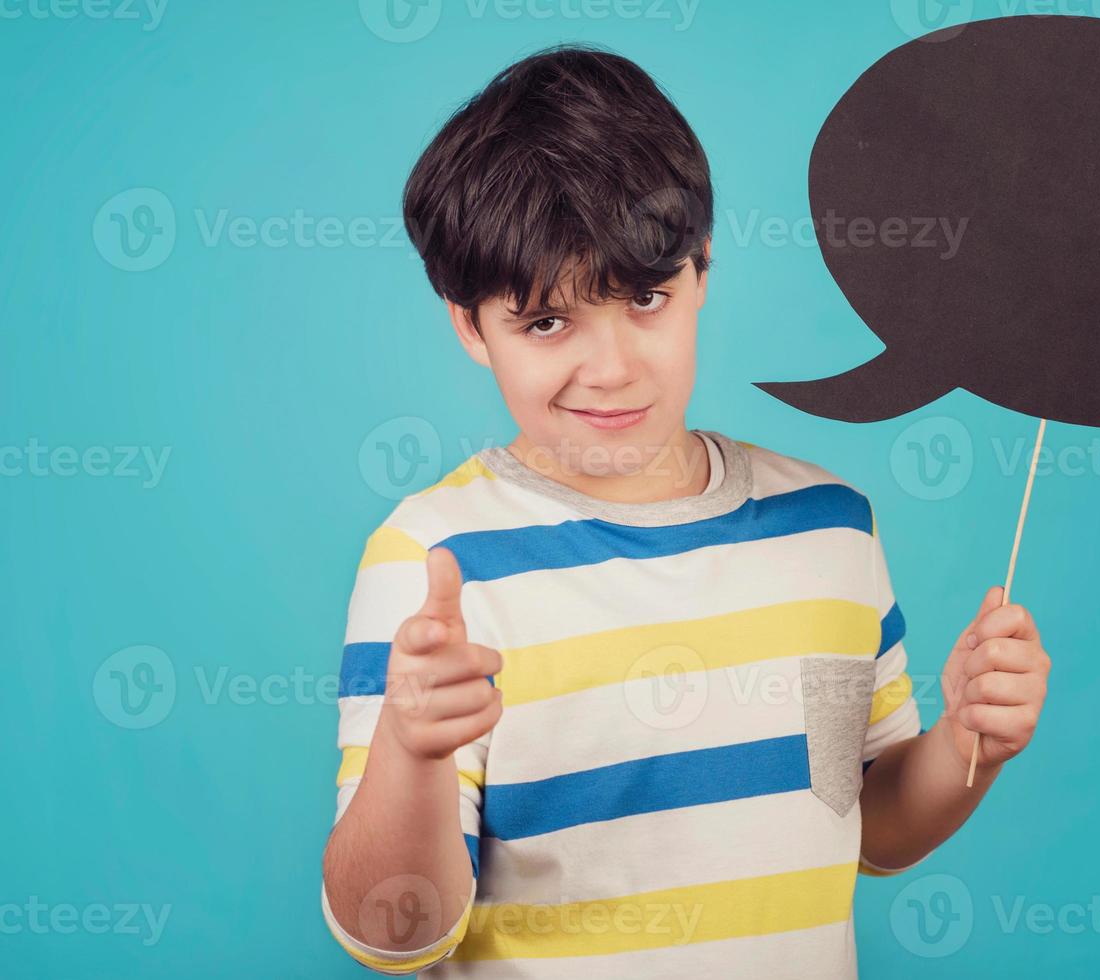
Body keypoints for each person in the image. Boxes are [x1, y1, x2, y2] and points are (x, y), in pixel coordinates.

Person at [320, 42, 1051, 978]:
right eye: (547, 322)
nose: (613, 366)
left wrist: (967, 744)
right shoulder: (434, 564)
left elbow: (872, 825)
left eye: (647, 298)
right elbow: (394, 933)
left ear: (702, 272)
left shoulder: (830, 529)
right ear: (470, 325)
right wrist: (411, 750)